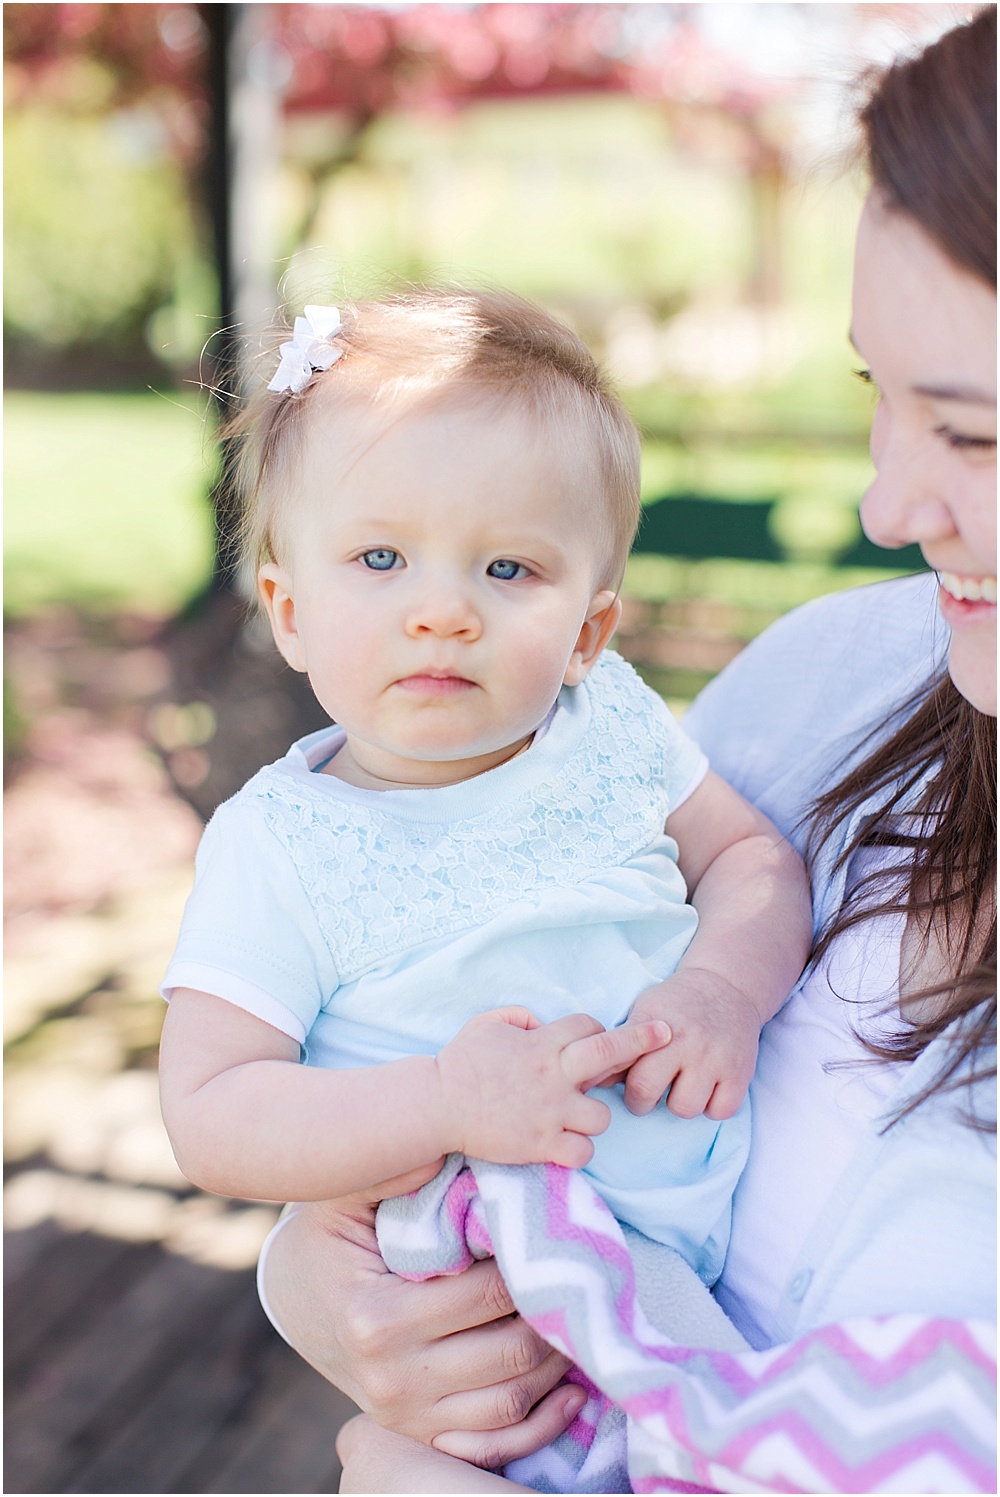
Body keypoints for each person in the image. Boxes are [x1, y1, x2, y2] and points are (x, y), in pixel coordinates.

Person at [256, 10, 997, 1493]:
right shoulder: (823, 692)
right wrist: (332, 1287)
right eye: (876, 401)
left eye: (973, 435)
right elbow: (436, 1081)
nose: (886, 507)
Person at [158, 290, 812, 1352]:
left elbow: (749, 859)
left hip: (689, 1268)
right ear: (288, 613)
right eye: (381, 560)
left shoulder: (612, 731)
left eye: (507, 568)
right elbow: (212, 1112)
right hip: (476, 1277)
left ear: (589, 629)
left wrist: (721, 991)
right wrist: (441, 1103)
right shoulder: (284, 842)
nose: (443, 610)